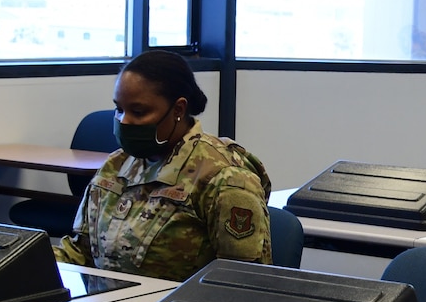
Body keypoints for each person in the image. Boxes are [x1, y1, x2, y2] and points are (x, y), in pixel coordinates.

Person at [55, 50, 274, 280]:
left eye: (138, 112)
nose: (124, 121)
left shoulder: (224, 178)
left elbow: (244, 282)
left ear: (178, 109)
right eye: (119, 109)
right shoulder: (116, 165)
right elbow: (79, 253)